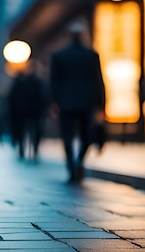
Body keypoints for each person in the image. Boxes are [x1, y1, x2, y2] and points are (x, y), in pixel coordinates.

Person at [49, 21, 105, 183]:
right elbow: (98, 81)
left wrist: (54, 101)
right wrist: (101, 104)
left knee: (67, 136)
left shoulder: (59, 56)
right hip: (86, 102)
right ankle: (79, 160)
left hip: (65, 102)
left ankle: (71, 166)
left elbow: (54, 81)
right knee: (86, 135)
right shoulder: (91, 55)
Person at [6, 59, 49, 159]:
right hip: (30, 110)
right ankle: (31, 148)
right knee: (32, 129)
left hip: (28, 110)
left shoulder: (24, 81)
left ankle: (28, 148)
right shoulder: (37, 82)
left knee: (28, 129)